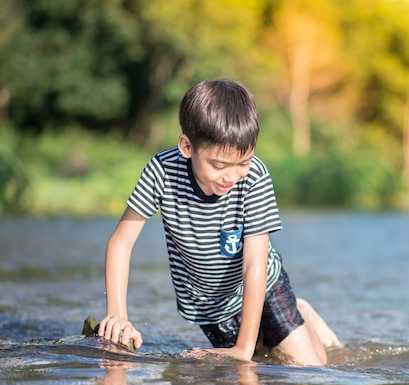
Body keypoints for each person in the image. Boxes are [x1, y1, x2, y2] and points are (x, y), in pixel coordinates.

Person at [98, 78, 340, 366]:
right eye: (219, 165)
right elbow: (120, 244)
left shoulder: (255, 177)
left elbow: (254, 267)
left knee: (311, 366)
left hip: (264, 284)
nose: (232, 176)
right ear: (187, 147)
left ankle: (302, 314)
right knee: (258, 366)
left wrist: (243, 349)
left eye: (243, 162)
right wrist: (118, 316)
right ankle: (283, 327)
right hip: (210, 306)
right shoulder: (162, 172)